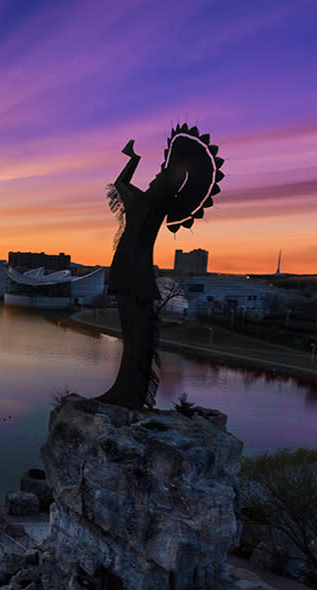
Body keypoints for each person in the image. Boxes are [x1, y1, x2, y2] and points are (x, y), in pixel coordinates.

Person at [97, 127, 222, 409]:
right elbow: (122, 185)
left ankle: (127, 395)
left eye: (161, 176)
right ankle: (127, 392)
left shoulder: (147, 205)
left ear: (168, 188)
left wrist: (133, 159)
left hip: (132, 273)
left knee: (135, 336)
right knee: (135, 337)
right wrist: (134, 158)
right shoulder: (149, 205)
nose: (155, 177)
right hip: (134, 272)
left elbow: (120, 185)